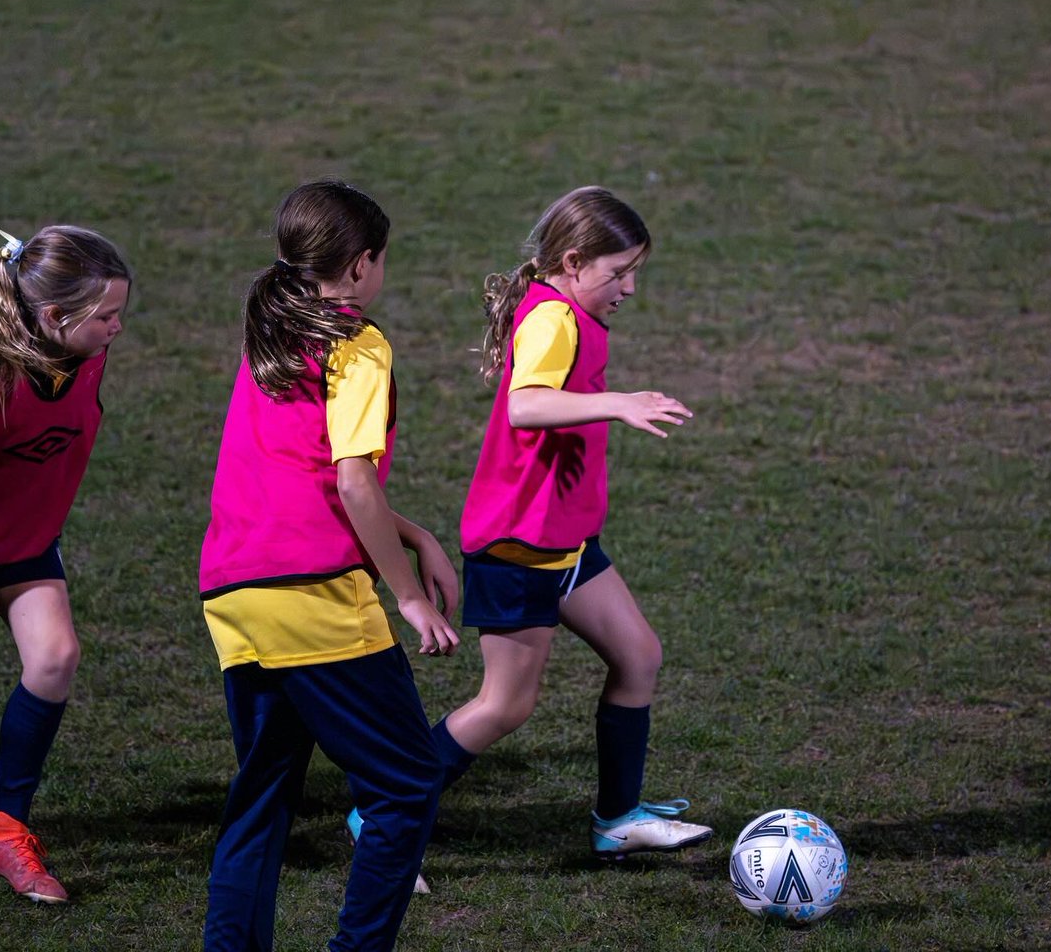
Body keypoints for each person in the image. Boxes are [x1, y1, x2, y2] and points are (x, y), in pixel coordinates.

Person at [349, 184, 712, 874]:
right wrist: (616, 403)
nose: (630, 287)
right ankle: (379, 814)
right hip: (521, 548)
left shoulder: (564, 306)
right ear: (573, 262)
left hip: (566, 542)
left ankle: (617, 822)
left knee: (638, 655)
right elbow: (524, 406)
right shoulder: (553, 321)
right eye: (619, 272)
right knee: (504, 704)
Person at [200, 180, 459, 952]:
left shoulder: (272, 333)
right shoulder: (358, 342)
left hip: (235, 596)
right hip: (312, 597)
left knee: (262, 798)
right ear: (357, 265)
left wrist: (409, 532)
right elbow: (350, 479)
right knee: (408, 786)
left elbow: (303, 471)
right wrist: (408, 597)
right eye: (382, 260)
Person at [0, 226, 131, 905]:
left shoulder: (81, 355)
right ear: (52, 317)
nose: (116, 328)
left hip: (21, 540)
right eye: (104, 316)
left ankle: (3, 832)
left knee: (55, 657)